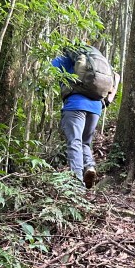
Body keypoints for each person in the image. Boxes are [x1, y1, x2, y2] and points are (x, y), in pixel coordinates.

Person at [52, 45, 115, 189]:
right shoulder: (96, 61)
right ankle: (90, 167)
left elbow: (49, 69)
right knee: (85, 142)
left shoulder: (67, 59)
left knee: (74, 141)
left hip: (75, 105)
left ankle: (77, 181)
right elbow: (115, 77)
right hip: (96, 107)